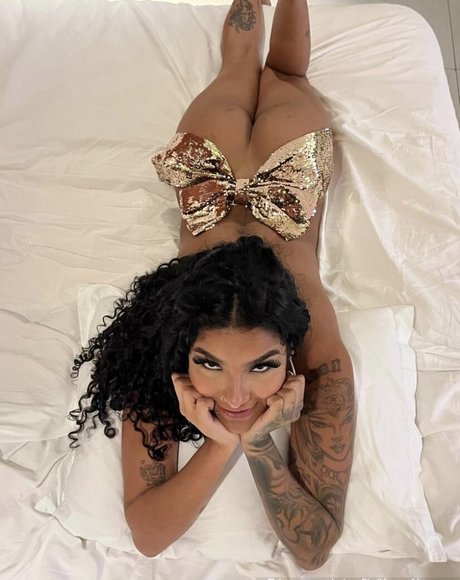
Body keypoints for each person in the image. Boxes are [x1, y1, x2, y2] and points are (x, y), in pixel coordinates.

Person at [68, 0, 356, 571]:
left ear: (289, 347)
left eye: (263, 366)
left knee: (263, 68)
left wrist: (254, 440)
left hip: (214, 160)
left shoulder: (317, 353)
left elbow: (314, 551)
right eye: (210, 364)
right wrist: (231, 441)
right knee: (259, 69)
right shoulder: (166, 344)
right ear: (186, 341)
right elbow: (148, 536)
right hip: (283, 157)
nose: (236, 398)